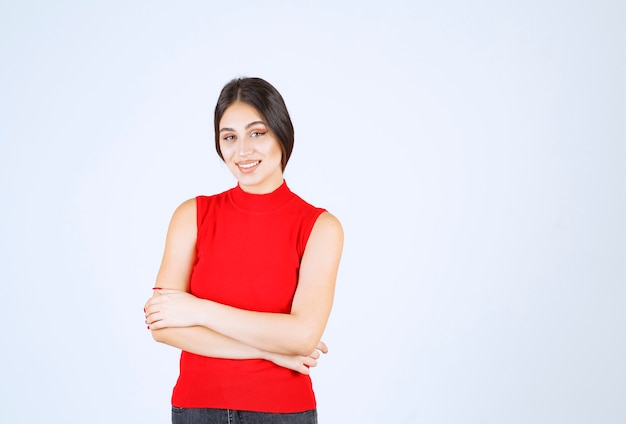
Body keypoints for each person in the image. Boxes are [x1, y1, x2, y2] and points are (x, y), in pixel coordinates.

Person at [144, 77, 344, 424]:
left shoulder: (320, 227)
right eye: (229, 137)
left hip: (282, 412)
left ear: (281, 133)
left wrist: (198, 310)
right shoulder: (192, 215)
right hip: (196, 409)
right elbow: (163, 325)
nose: (242, 151)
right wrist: (271, 351)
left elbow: (303, 335)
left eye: (257, 133)